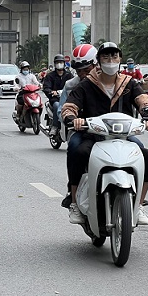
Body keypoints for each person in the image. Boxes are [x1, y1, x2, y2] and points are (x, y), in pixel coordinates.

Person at [61, 42, 148, 226]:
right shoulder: (87, 84)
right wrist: (73, 118)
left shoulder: (129, 83)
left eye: (114, 57)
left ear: (120, 59)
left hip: (123, 135)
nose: (110, 61)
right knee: (78, 151)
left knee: (146, 155)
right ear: (98, 61)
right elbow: (70, 105)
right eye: (106, 57)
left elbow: (143, 100)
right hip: (92, 134)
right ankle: (74, 201)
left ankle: (139, 204)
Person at [58, 44, 98, 209]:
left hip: (109, 130)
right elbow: (62, 109)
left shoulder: (110, 81)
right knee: (74, 148)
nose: (83, 74)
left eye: (86, 69)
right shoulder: (71, 85)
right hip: (82, 130)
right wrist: (73, 119)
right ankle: (72, 191)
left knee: (138, 149)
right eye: (79, 70)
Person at [43, 54, 73, 136]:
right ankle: (55, 126)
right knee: (57, 106)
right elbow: (46, 88)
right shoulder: (50, 76)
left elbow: (76, 86)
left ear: (64, 63)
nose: (59, 64)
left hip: (68, 99)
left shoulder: (69, 75)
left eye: (61, 62)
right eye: (57, 62)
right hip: (55, 99)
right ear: (55, 64)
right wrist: (52, 92)